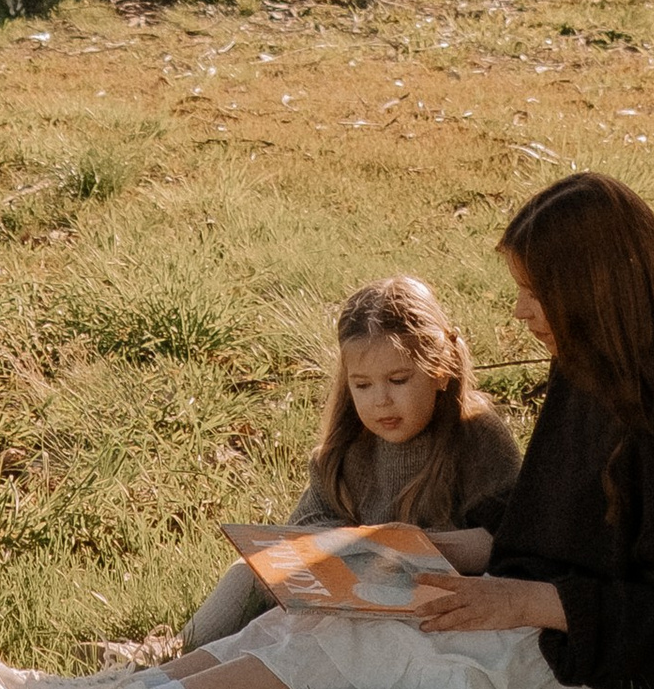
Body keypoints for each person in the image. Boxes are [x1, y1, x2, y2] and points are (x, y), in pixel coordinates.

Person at [0, 174, 654, 689]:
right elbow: (562, 519)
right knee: (321, 606)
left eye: (539, 294)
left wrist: (522, 601)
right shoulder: (595, 370)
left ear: (599, 293)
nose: (525, 312)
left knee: (348, 642)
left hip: (628, 678)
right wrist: (439, 549)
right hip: (544, 617)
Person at [178, 272, 524, 649]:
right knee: (250, 572)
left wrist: (412, 544)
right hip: (354, 591)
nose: (381, 400)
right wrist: (340, 544)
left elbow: (510, 541)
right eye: (363, 385)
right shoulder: (352, 444)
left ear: (440, 371)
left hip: (439, 602)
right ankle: (174, 651)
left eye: (398, 380)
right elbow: (306, 525)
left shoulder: (477, 436)